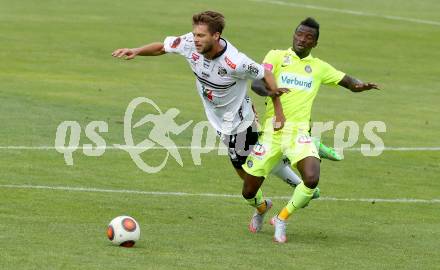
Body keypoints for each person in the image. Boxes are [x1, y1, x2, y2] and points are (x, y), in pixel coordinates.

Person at [112, 11, 310, 191]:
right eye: (195, 34)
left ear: (216, 36)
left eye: (201, 36)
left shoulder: (235, 62)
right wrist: (136, 50)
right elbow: (162, 48)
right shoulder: (189, 43)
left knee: (247, 171)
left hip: (239, 120)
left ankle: (275, 196)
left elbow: (265, 72)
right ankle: (291, 175)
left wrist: (278, 110)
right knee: (257, 160)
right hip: (216, 116)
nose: (196, 40)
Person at [242, 17, 379, 243]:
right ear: (293, 34)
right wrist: (271, 92)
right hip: (272, 134)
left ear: (315, 43)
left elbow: (348, 81)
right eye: (299, 34)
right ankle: (262, 207)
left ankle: (282, 218)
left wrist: (360, 85)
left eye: (308, 37)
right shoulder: (276, 56)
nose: (302, 40)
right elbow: (257, 83)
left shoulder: (318, 68)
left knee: (312, 178)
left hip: (299, 134)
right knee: (248, 192)